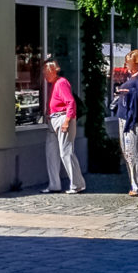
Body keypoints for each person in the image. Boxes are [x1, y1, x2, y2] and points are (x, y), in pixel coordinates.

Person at [111, 50, 138, 196]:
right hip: (126, 119)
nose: (126, 65)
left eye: (128, 62)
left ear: (136, 63)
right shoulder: (133, 77)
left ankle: (137, 186)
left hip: (134, 121)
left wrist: (128, 92)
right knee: (129, 153)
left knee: (132, 153)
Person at [41, 58, 83, 194]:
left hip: (62, 118)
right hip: (53, 119)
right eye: (44, 72)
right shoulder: (52, 84)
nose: (45, 75)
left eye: (47, 72)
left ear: (54, 70)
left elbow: (71, 102)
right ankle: (54, 185)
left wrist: (67, 121)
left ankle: (77, 184)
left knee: (66, 152)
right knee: (51, 154)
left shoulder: (61, 83)